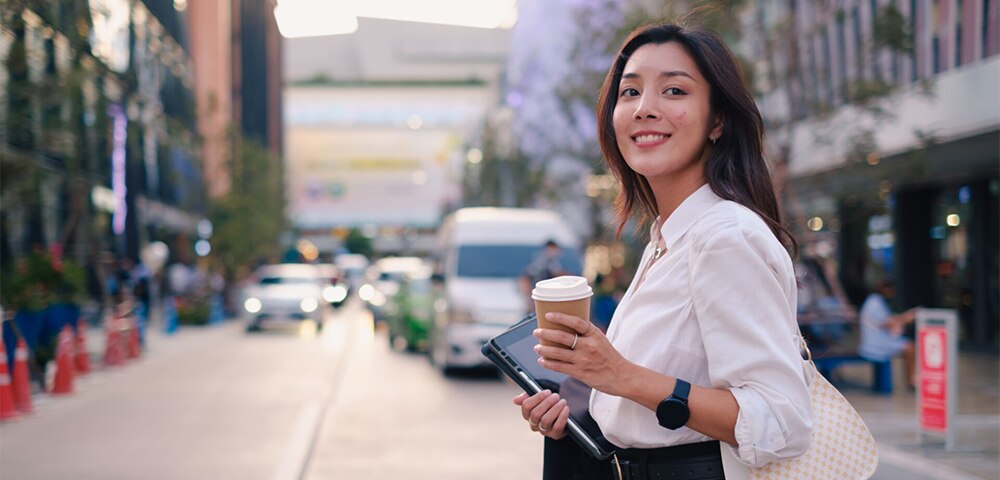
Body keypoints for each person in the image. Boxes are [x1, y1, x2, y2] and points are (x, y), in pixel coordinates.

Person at [512, 21, 812, 479]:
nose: (644, 109)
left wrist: (621, 375)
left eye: (674, 91)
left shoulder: (725, 237)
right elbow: (648, 401)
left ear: (717, 121)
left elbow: (781, 421)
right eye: (629, 93)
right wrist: (579, 407)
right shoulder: (666, 238)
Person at [858, 280, 916, 389]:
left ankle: (911, 379)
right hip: (876, 345)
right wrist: (906, 318)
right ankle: (911, 380)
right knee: (909, 348)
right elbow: (887, 323)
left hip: (876, 341)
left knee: (908, 346)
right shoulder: (875, 303)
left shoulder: (874, 301)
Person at [520, 240, 567, 312]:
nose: (556, 251)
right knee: (533, 308)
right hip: (527, 282)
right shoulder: (545, 258)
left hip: (531, 283)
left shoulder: (548, 258)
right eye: (554, 249)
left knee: (535, 308)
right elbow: (557, 273)